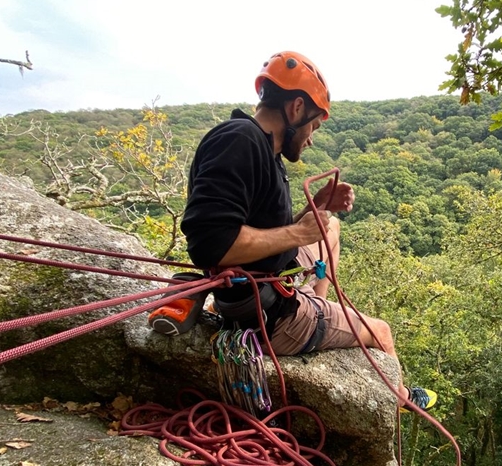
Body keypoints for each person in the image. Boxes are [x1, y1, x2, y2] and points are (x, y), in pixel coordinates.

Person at [176, 51, 435, 412]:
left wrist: (317, 210)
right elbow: (212, 245)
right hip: (269, 316)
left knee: (331, 229)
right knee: (382, 332)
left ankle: (319, 302)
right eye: (314, 125)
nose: (311, 138)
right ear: (296, 108)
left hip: (265, 283)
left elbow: (267, 229)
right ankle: (404, 399)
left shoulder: (261, 149)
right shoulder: (240, 141)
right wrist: (299, 233)